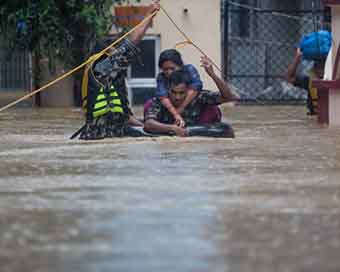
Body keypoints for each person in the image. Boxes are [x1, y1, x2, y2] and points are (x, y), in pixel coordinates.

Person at [72, 0, 160, 140]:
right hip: (101, 133)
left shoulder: (110, 77)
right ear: (105, 54)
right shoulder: (100, 69)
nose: (117, 55)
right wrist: (149, 15)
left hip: (116, 130)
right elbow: (130, 45)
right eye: (114, 51)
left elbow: (126, 116)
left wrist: (144, 126)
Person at [144, 56, 238, 137]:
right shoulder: (160, 100)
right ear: (168, 89)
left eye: (181, 93)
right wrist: (172, 128)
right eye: (174, 92)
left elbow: (228, 97)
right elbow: (149, 124)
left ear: (188, 90)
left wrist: (212, 75)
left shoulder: (198, 96)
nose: (177, 97)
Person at [146, 49, 222, 127]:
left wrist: (182, 107)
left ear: (180, 66)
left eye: (172, 68)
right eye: (165, 69)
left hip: (191, 105)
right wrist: (175, 114)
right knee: (149, 104)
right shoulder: (161, 77)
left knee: (210, 105)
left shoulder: (189, 70)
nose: (169, 72)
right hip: (171, 109)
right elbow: (162, 96)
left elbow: (196, 87)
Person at [286, 48, 326, 116]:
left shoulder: (334, 81)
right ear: (314, 68)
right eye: (318, 66)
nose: (321, 71)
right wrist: (297, 57)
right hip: (314, 118)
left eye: (323, 67)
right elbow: (289, 77)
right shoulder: (309, 81)